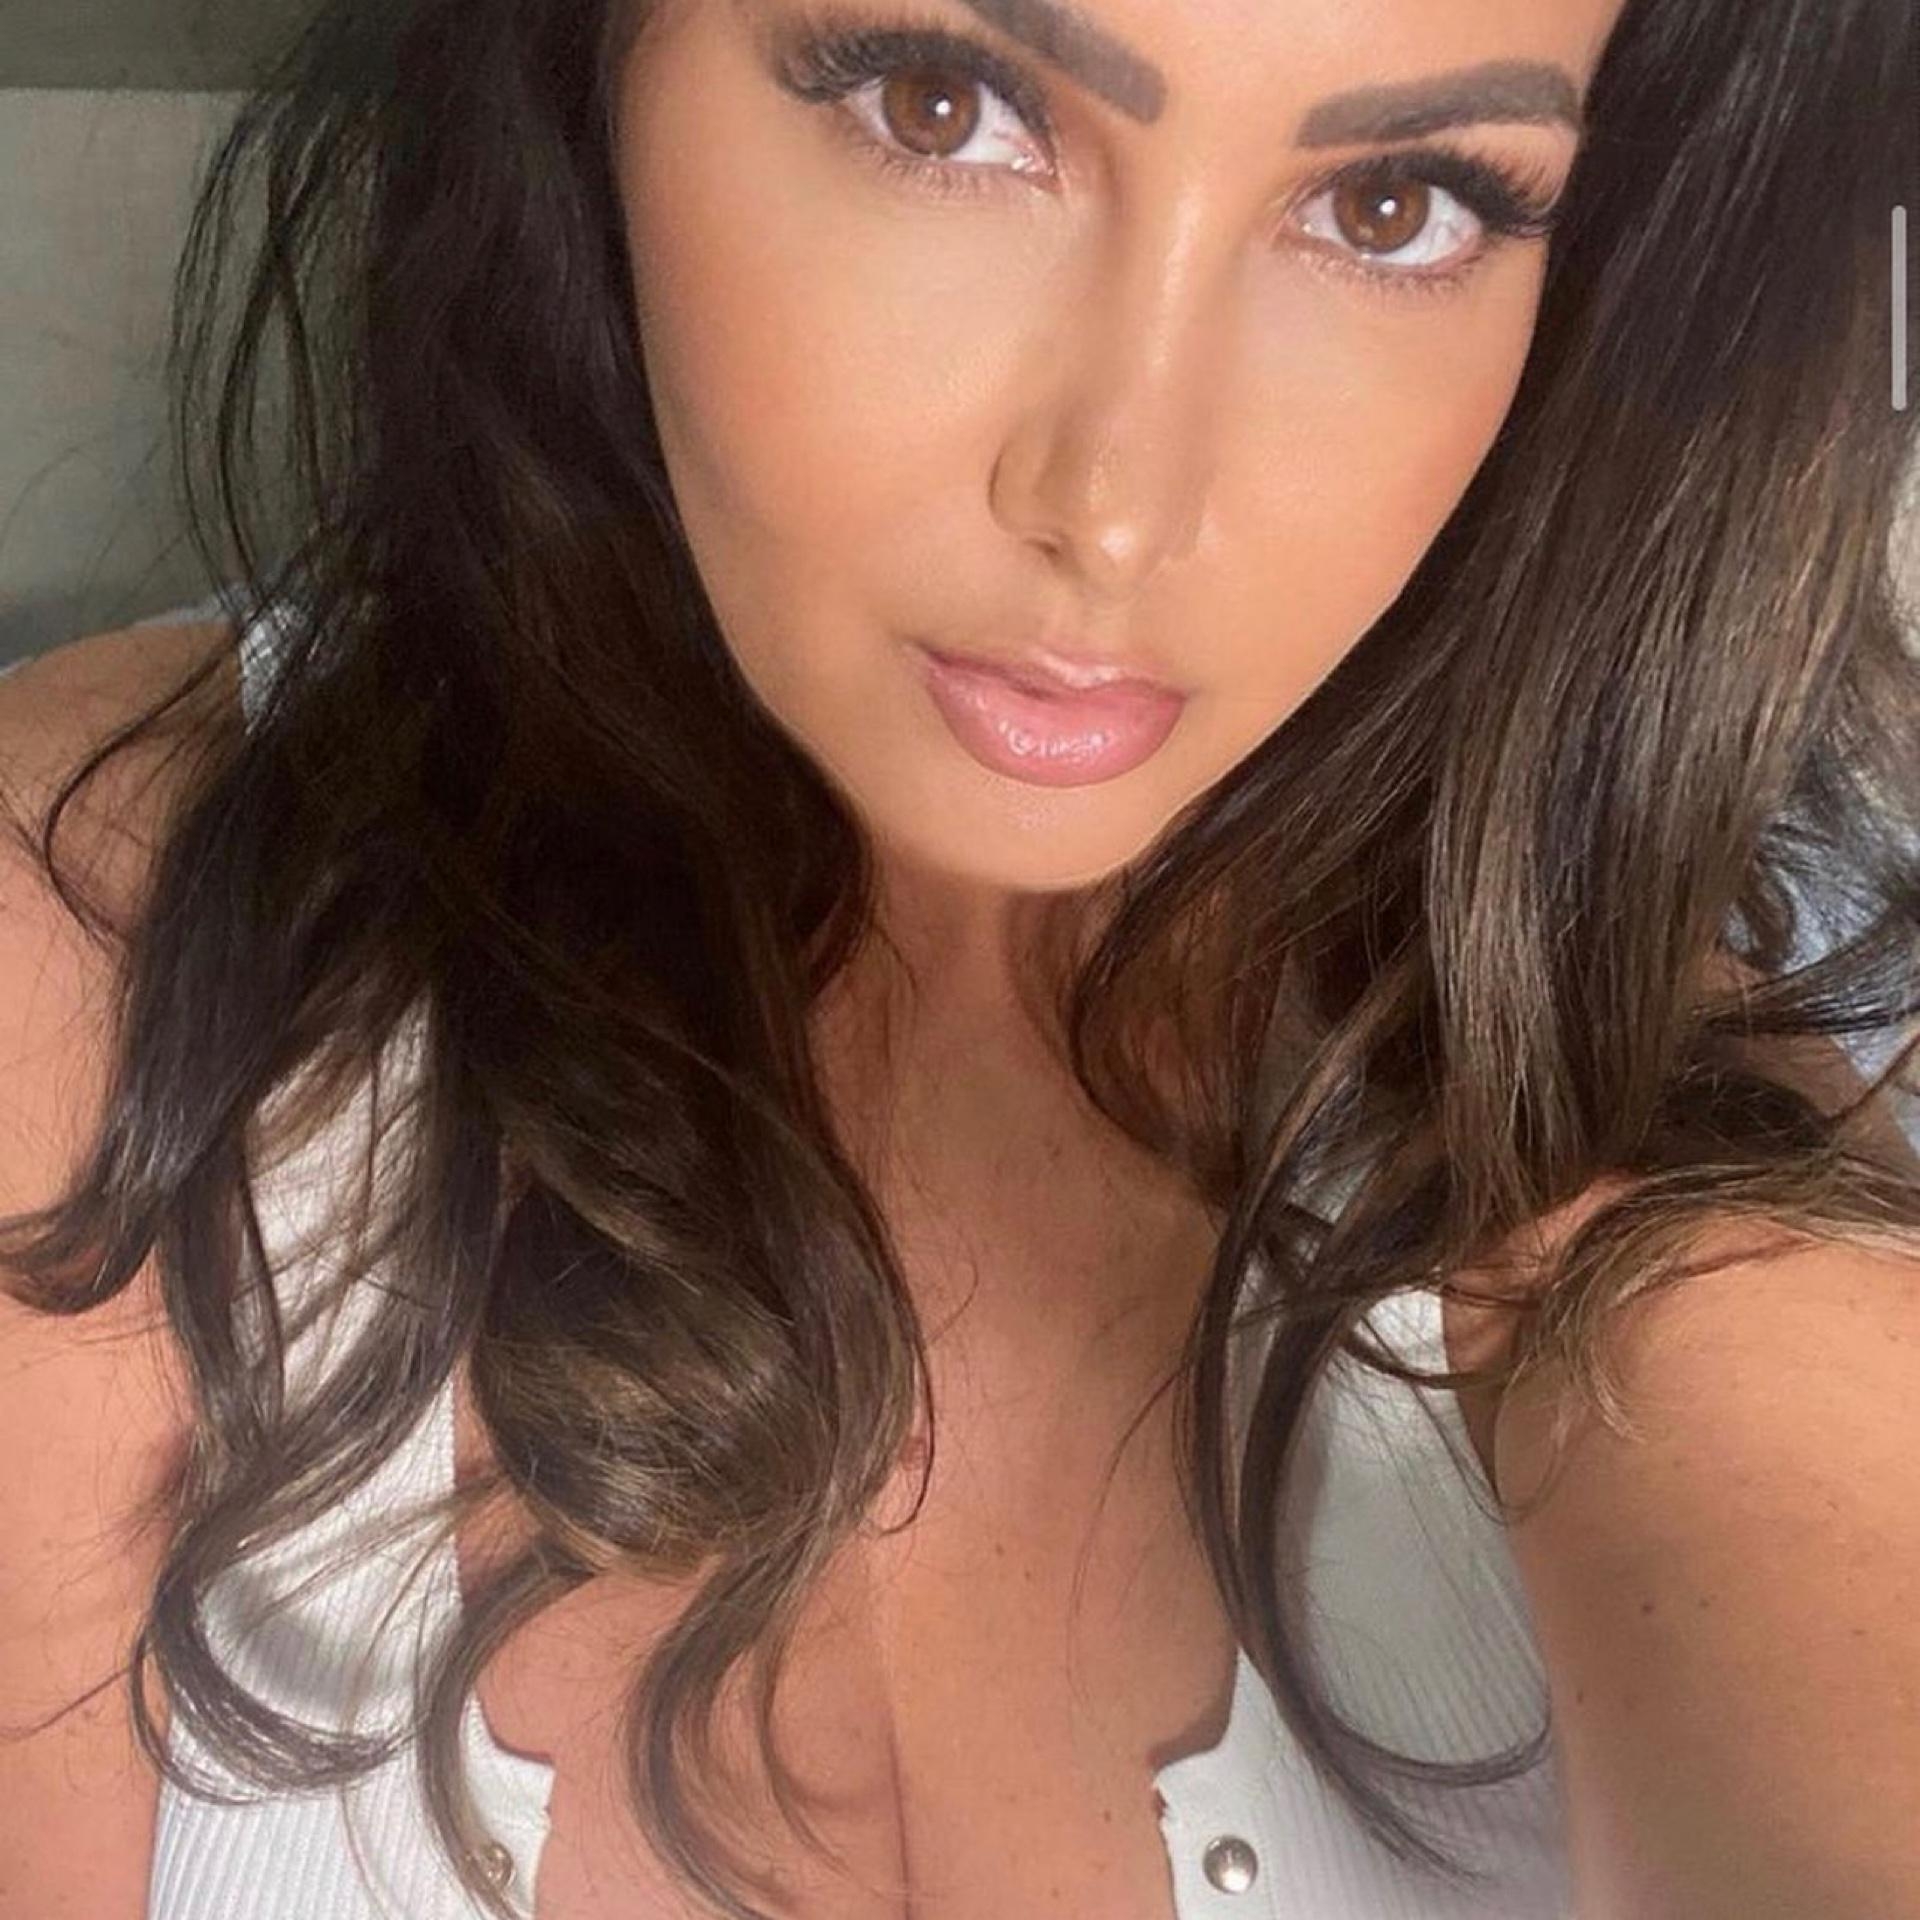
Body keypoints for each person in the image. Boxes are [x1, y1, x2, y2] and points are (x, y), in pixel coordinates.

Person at [1, 0, 1916, 1914]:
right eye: (944, 106)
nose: (1120, 511)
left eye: (1397, 206)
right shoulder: (77, 934)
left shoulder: (1626, 1124)